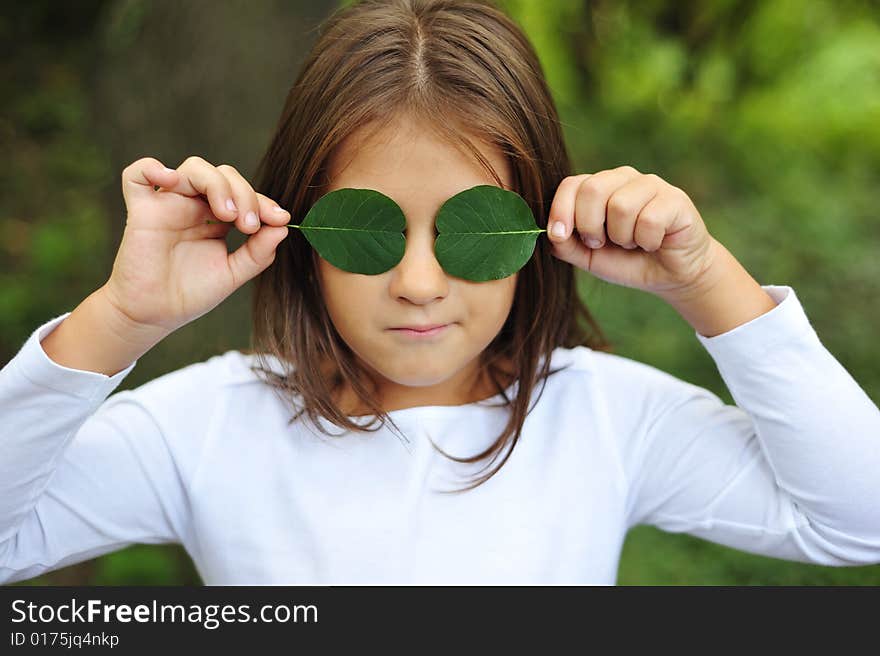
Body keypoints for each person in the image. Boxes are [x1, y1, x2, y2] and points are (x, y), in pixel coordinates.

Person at [2, 0, 879, 586]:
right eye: (372, 232)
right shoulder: (204, 425)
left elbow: (858, 520)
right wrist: (121, 320)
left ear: (536, 227)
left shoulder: (601, 417)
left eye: (468, 232)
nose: (419, 283)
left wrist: (707, 281)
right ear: (302, 232)